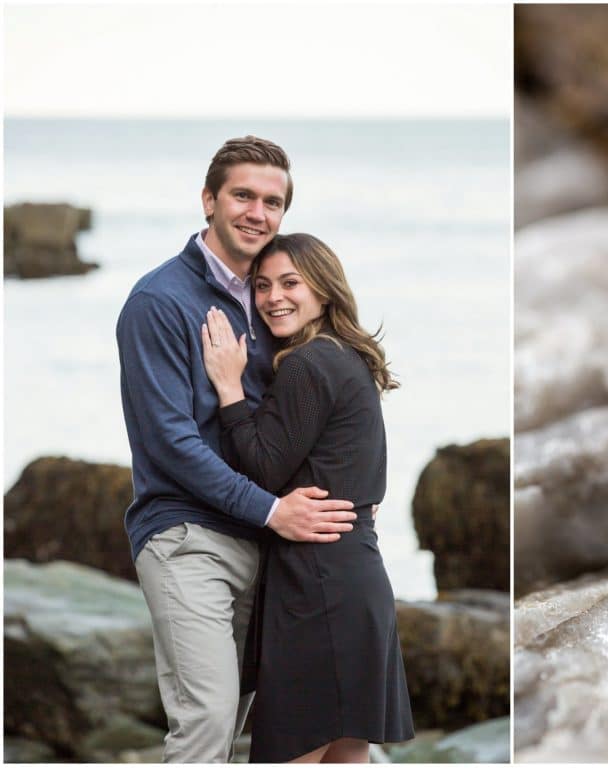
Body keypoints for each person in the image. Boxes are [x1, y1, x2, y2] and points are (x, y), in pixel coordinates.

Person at [116, 137, 358, 763]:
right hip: (187, 536)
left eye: (272, 201)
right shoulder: (158, 303)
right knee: (207, 719)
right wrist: (274, 510)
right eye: (243, 195)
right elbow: (169, 444)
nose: (258, 212)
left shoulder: (275, 297)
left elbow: (305, 418)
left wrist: (358, 494)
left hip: (270, 547)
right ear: (208, 201)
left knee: (252, 719)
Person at [200, 233, 415, 763]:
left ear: (324, 289)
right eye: (264, 286)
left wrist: (229, 389)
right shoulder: (350, 359)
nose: (275, 297)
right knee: (346, 757)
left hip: (316, 586)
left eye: (291, 283)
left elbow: (264, 467)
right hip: (358, 575)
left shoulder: (306, 364)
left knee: (288, 760)